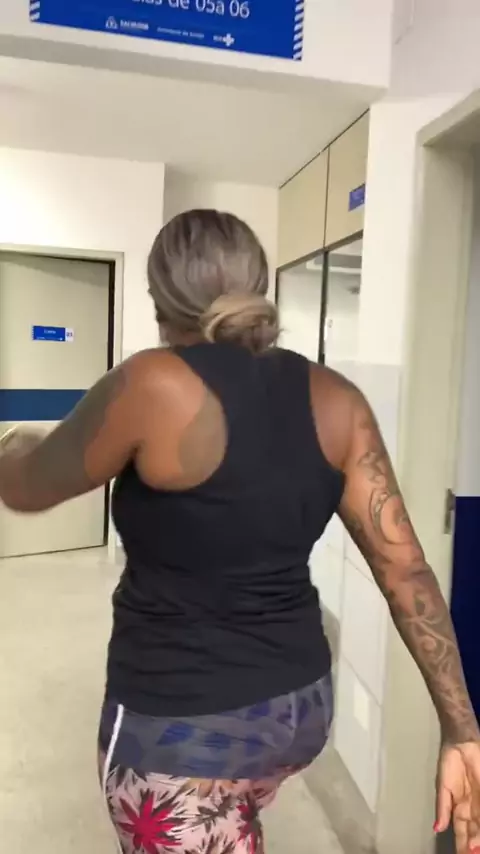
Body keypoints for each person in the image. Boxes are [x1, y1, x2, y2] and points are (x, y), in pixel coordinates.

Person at [0, 209, 479, 854]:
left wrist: (13, 443)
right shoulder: (337, 398)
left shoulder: (152, 383)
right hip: (298, 710)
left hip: (185, 729)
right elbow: (406, 571)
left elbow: (27, 487)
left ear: (160, 298)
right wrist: (462, 729)